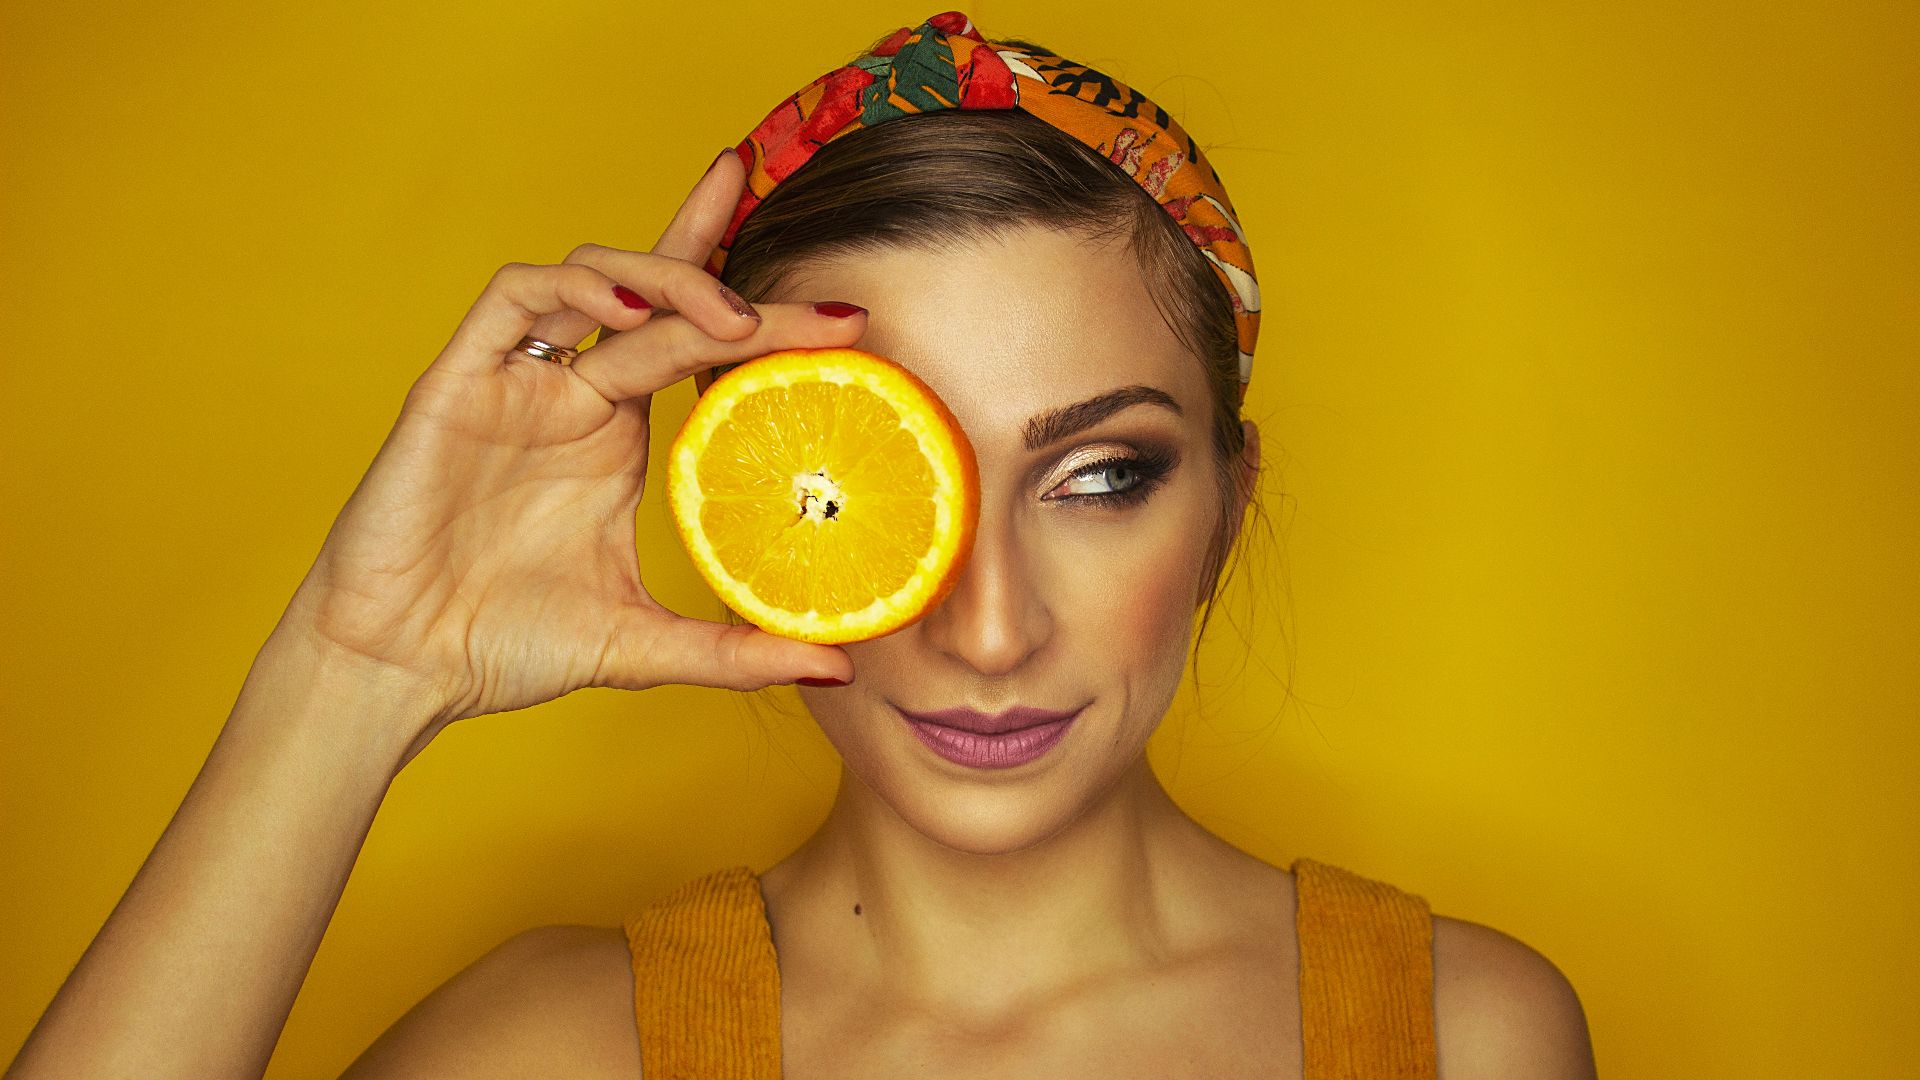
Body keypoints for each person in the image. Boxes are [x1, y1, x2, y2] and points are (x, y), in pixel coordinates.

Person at [5, 12, 1597, 1079]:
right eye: (887, 481)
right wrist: (354, 674)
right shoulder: (557, 1051)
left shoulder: (1459, 1033)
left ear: (1224, 510)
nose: (986, 631)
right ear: (755, 503)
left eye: (1100, 475)